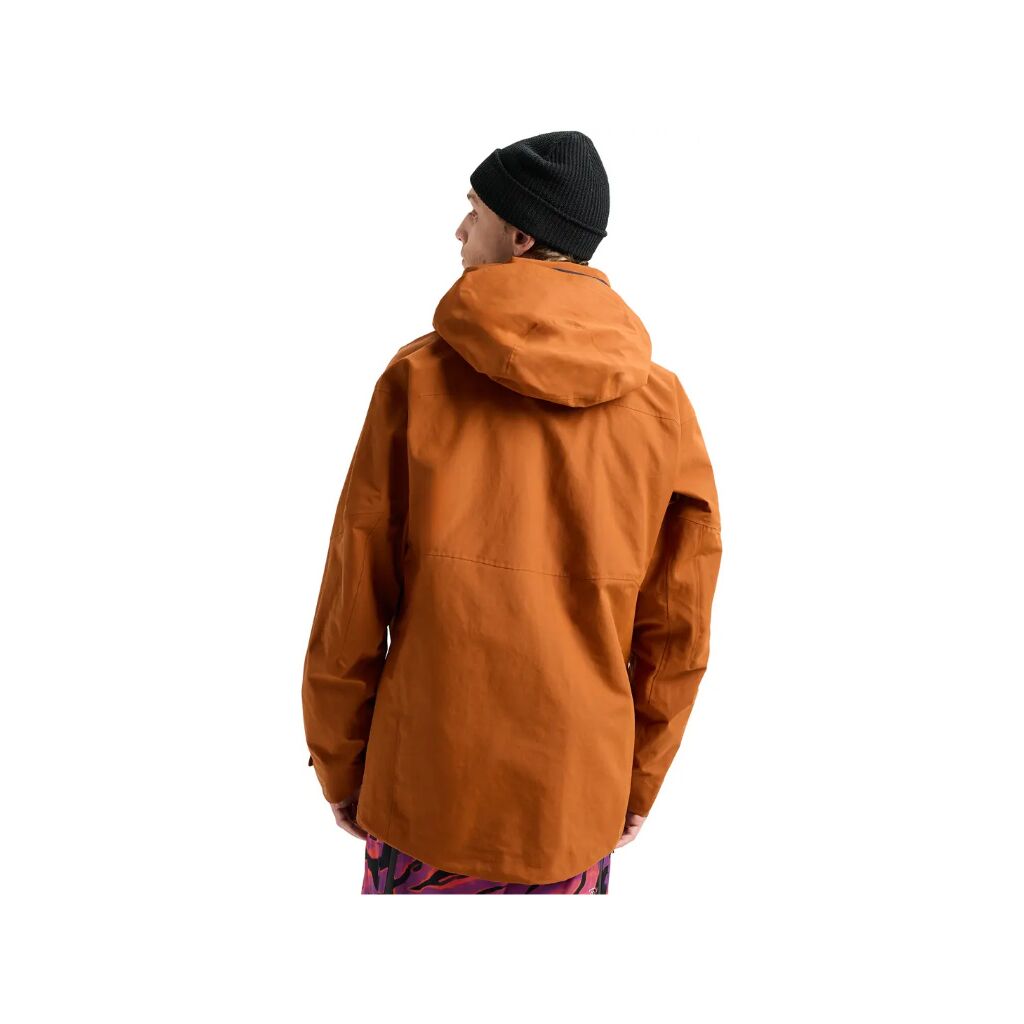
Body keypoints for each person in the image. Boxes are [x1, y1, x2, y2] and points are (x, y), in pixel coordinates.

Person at [302, 130, 723, 895]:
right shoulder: (663, 407)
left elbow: (352, 598)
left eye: (476, 211)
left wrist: (339, 760)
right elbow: (679, 628)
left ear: (522, 235)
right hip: (574, 800)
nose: (460, 229)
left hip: (425, 785)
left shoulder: (416, 379)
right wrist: (638, 778)